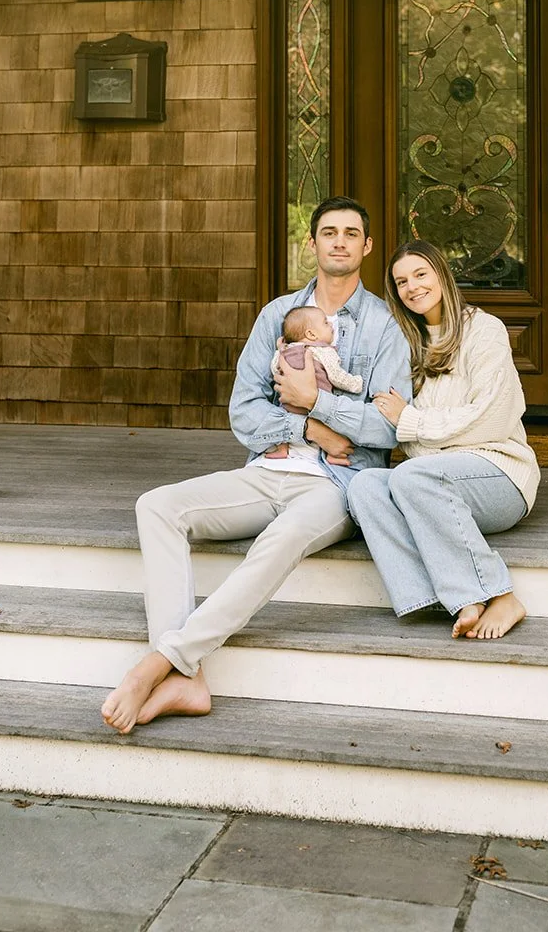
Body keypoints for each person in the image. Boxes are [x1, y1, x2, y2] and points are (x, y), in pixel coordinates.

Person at [101, 197, 409, 733]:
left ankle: (161, 663)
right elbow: (244, 412)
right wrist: (311, 427)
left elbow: (387, 430)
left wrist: (314, 401)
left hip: (339, 483)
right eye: (329, 232)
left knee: (281, 537)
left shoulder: (385, 326)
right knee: (157, 506)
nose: (340, 241)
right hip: (268, 467)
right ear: (311, 243)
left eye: (351, 233)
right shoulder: (277, 315)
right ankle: (187, 679)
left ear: (367, 247)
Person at [348, 240, 538, 641]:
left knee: (411, 476)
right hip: (432, 483)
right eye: (401, 282)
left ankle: (497, 594)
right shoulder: (404, 342)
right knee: (364, 486)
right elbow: (398, 429)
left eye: (420, 274)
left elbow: (491, 419)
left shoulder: (484, 330)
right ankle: (440, 596)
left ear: (441, 275)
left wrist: (413, 422)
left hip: (498, 474)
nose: (412, 287)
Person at [262, 306, 363, 465]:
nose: (330, 324)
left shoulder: (285, 351)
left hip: (288, 405)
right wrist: (356, 384)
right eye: (325, 323)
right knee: (334, 423)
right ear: (311, 334)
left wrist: (280, 349)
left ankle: (282, 449)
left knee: (282, 421)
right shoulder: (323, 351)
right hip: (315, 406)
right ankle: (333, 455)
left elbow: (275, 368)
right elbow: (336, 376)